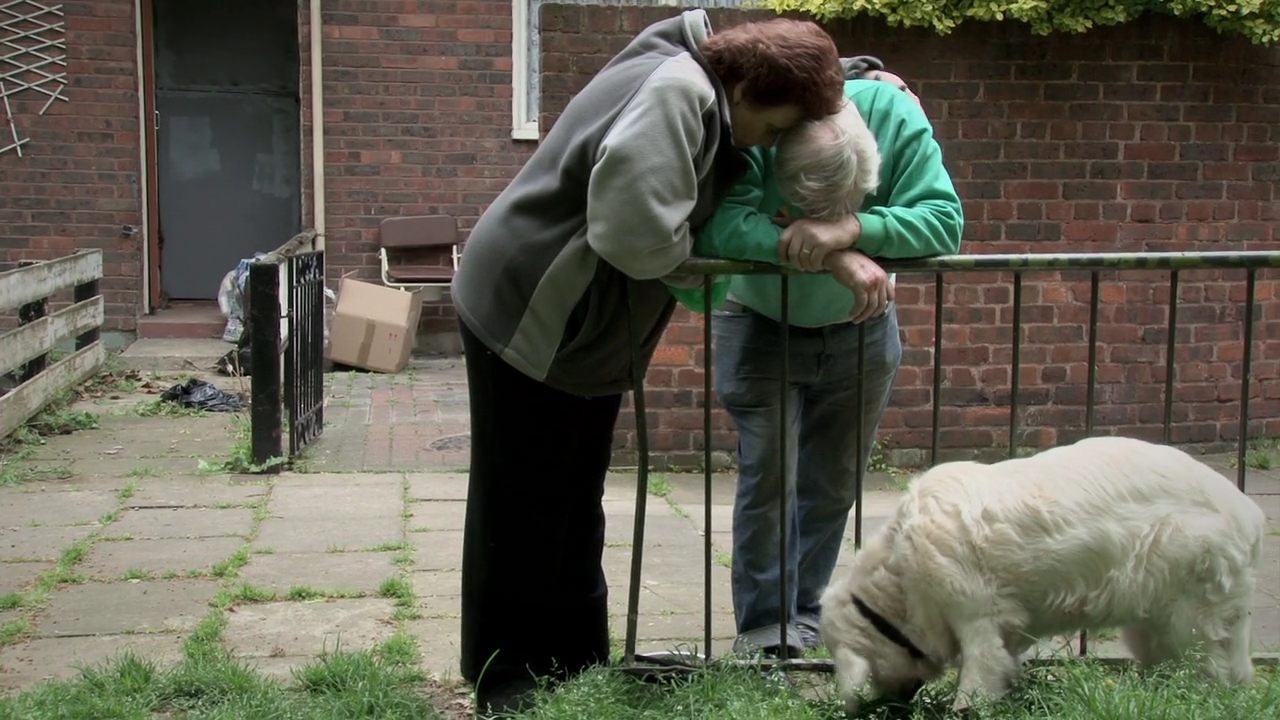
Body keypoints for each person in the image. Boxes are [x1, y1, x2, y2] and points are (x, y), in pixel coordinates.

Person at [448, 10, 850, 715]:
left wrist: (865, 74)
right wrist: (696, 265)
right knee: (523, 502)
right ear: (751, 87)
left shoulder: (704, 80)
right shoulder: (680, 93)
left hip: (573, 325)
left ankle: (572, 665)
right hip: (533, 310)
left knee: (572, 495)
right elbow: (632, 236)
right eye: (778, 125)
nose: (772, 142)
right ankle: (508, 680)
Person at [685, 62, 965, 658]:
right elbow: (722, 224)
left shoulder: (895, 115)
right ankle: (764, 631)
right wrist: (823, 253)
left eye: (840, 204)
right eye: (797, 208)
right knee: (770, 479)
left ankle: (804, 617)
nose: (816, 221)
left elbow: (944, 220)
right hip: (759, 321)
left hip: (860, 330)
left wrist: (852, 228)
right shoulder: (765, 122)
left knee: (833, 483)